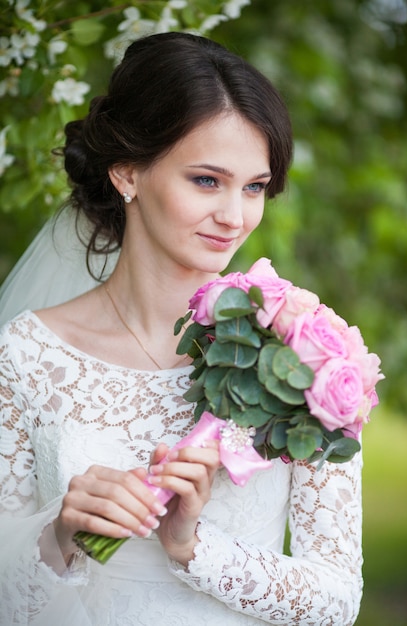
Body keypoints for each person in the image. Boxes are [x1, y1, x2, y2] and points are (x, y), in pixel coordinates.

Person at [0, 32, 363, 625]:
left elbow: (337, 601)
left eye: (255, 187)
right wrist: (63, 532)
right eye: (206, 180)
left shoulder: (304, 352)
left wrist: (193, 548)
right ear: (127, 175)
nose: (234, 216)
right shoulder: (27, 353)